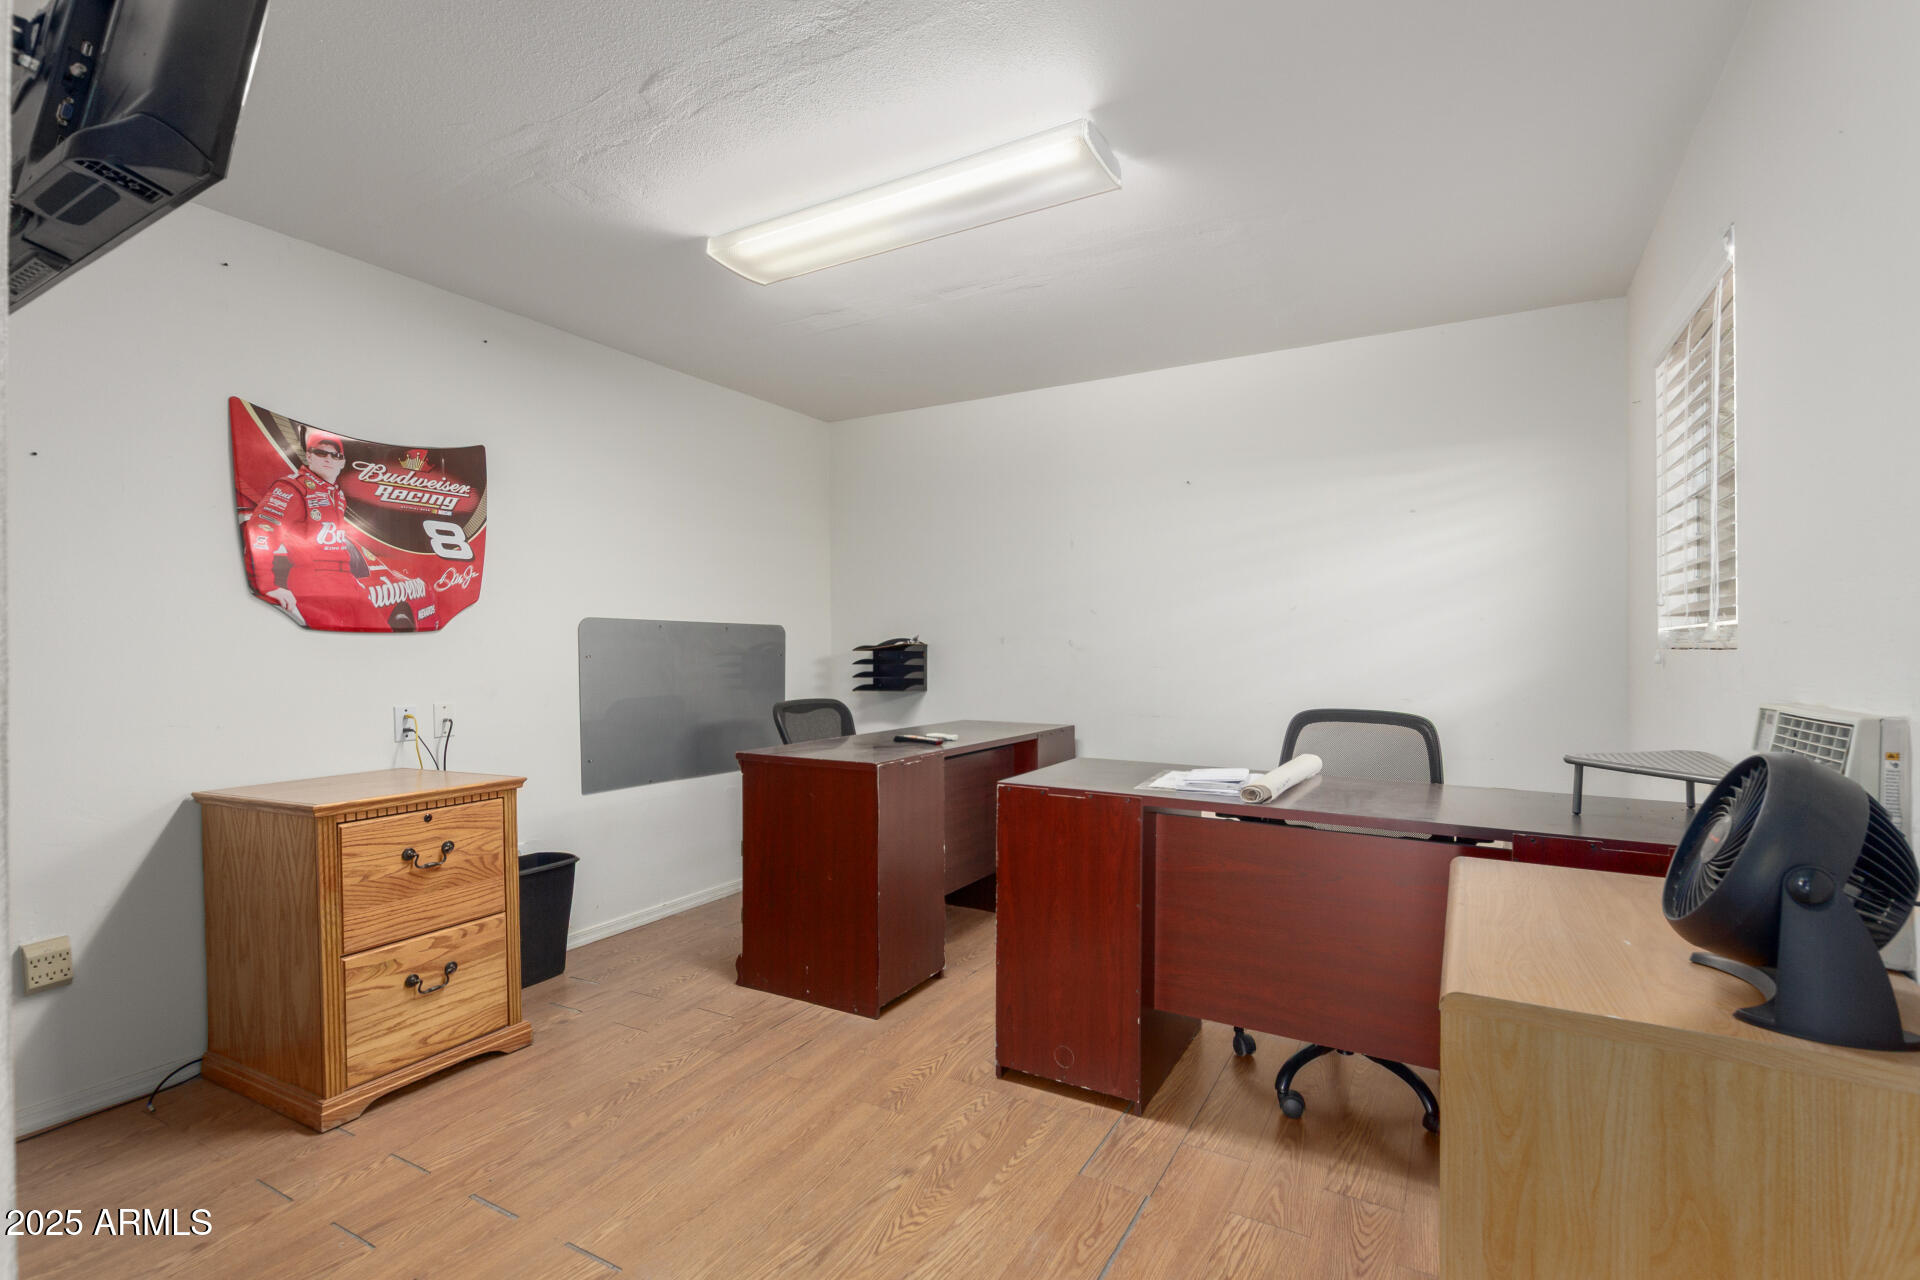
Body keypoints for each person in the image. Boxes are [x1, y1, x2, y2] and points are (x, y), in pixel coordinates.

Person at [242, 429, 384, 630]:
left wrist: (351, 580)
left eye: (335, 455)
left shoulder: (337, 495)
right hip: (311, 582)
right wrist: (268, 586)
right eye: (321, 453)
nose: (328, 458)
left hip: (344, 582)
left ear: (342, 462)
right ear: (309, 457)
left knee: (378, 628)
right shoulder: (292, 488)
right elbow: (260, 533)